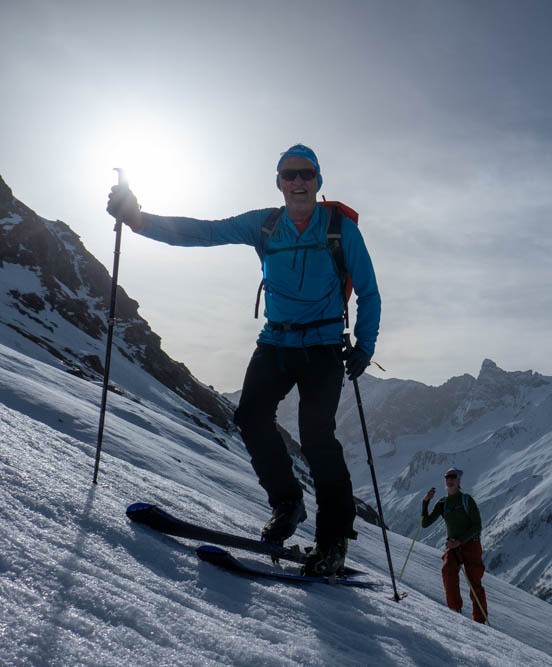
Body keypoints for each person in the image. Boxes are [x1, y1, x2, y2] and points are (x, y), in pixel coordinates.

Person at [106, 144, 380, 577]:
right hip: (275, 343)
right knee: (251, 416)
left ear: (318, 181)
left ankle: (332, 544)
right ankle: (287, 503)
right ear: (279, 183)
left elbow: (369, 290)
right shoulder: (265, 225)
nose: (298, 182)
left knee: (317, 437)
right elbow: (205, 231)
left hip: (324, 347)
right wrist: (139, 220)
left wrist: (364, 347)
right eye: (289, 175)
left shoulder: (340, 229)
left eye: (306, 174)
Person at [421, 467, 488, 623]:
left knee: (474, 583)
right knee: (448, 571)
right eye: (447, 477)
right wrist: (425, 502)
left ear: (459, 481)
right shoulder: (443, 502)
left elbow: (477, 526)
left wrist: (459, 541)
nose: (450, 480)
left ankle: (479, 620)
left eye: (453, 477)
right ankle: (454, 611)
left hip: (470, 544)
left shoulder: (466, 500)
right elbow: (425, 523)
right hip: (453, 545)